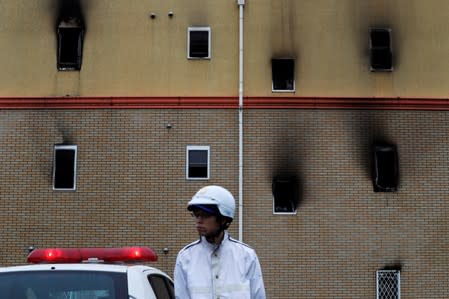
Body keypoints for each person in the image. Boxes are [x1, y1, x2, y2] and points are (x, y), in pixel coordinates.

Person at [174, 185, 266, 299]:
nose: (199, 220)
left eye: (205, 215)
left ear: (223, 219)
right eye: (196, 215)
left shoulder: (246, 256)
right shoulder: (185, 257)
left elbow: (258, 296)